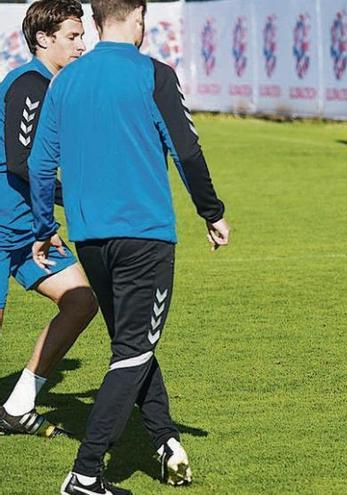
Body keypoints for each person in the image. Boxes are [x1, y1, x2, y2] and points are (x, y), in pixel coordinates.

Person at [27, 0, 231, 492]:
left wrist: (41, 227)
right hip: (144, 236)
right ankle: (85, 474)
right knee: (136, 349)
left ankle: (163, 438)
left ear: (96, 21)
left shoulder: (66, 80)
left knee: (131, 346)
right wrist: (212, 210)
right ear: (138, 18)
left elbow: (38, 165)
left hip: (90, 237)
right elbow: (186, 149)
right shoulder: (153, 74)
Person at [0, 0, 97, 438]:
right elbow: (21, 165)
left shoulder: (52, 86)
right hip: (7, 229)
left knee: (80, 301)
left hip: (28, 230)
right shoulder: (29, 84)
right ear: (44, 39)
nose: (82, 44)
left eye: (81, 35)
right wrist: (60, 209)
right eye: (73, 36)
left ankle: (17, 406)